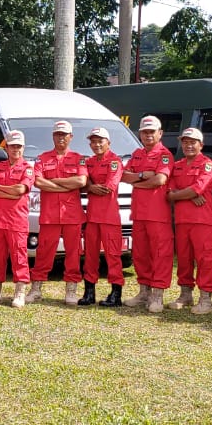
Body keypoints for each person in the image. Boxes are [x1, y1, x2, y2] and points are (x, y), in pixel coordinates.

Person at [28, 120, 87, 305]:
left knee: (73, 253)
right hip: (50, 214)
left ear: (71, 137)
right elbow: (38, 182)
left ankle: (71, 291)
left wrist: (53, 183)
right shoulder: (42, 158)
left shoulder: (79, 158)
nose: (61, 137)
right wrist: (66, 186)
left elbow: (81, 181)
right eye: (58, 134)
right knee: (44, 252)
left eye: (64, 134)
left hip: (72, 214)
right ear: (53, 136)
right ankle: (36, 289)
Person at [121, 114, 174, 313]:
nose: (148, 135)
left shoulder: (164, 155)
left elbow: (160, 180)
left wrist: (138, 182)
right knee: (140, 254)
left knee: (160, 254)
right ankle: (144, 292)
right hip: (139, 213)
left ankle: (157, 295)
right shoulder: (137, 153)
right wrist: (143, 175)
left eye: (152, 131)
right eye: (144, 132)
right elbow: (124, 176)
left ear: (160, 133)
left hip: (157, 214)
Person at [166, 127, 212, 314]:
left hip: (202, 220)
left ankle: (206, 298)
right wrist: (188, 195)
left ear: (201, 145)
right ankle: (185, 294)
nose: (188, 145)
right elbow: (169, 193)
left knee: (205, 259)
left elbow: (198, 188)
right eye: (185, 142)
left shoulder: (207, 164)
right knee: (184, 258)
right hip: (182, 220)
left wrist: (183, 194)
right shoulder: (178, 165)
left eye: (192, 142)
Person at [81, 127, 125, 307]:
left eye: (100, 141)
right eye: (93, 141)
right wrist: (90, 186)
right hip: (92, 217)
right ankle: (89, 292)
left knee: (113, 255)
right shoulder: (89, 162)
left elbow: (109, 187)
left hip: (109, 217)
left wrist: (90, 186)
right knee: (90, 255)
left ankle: (116, 294)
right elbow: (81, 182)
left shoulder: (115, 161)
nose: (97, 144)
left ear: (108, 143)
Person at [0, 130, 35, 307]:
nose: (15, 149)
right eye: (12, 146)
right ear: (7, 148)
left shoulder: (27, 168)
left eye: (19, 146)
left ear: (23, 148)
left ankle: (20, 292)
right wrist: (12, 193)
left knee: (19, 257)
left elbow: (21, 190)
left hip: (17, 220)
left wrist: (1, 189)